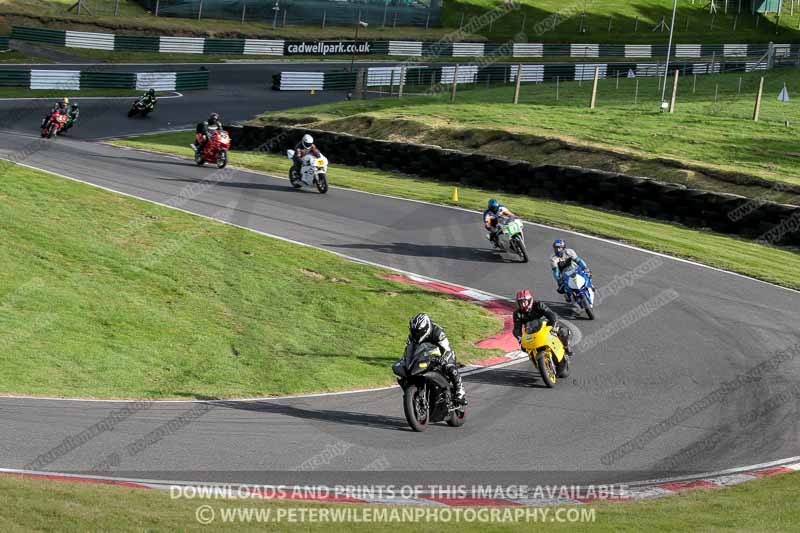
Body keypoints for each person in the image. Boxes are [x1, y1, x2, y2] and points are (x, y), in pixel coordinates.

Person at [407, 313, 466, 404]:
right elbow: (409, 350)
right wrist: (407, 362)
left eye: (418, 332)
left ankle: (460, 391)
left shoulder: (437, 331)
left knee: (449, 367)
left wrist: (443, 359)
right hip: (426, 355)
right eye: (414, 332)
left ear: (425, 328)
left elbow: (447, 349)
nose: (416, 334)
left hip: (443, 353)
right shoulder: (412, 336)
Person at [512, 289, 574, 357]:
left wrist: (553, 324)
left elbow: (551, 314)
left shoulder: (538, 305)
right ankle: (534, 358)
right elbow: (516, 328)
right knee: (524, 348)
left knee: (563, 331)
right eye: (521, 303)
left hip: (546, 327)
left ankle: (566, 347)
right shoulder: (517, 313)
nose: (523, 304)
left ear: (529, 301)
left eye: (524, 302)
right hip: (530, 332)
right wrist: (520, 338)